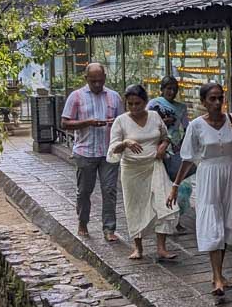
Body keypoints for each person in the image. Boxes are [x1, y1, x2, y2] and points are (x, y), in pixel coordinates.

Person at [166, 83, 232, 297]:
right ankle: (216, 277)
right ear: (203, 102)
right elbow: (187, 158)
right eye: (212, 99)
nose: (216, 103)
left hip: (230, 173)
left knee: (225, 224)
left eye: (219, 98)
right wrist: (175, 186)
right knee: (212, 221)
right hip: (208, 174)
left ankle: (220, 274)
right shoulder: (196, 126)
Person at [107, 85, 179, 261]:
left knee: (162, 203)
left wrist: (163, 145)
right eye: (130, 104)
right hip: (132, 170)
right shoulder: (121, 121)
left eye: (138, 103)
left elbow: (166, 136)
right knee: (135, 206)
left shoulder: (154, 117)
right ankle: (138, 247)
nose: (134, 108)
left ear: (145, 102)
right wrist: (126, 143)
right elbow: (112, 149)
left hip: (154, 166)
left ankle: (161, 248)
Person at [60, 62, 123, 241]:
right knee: (85, 190)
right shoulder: (76, 96)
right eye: (93, 81)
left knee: (109, 190)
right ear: (86, 79)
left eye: (100, 81)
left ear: (105, 79)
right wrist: (87, 122)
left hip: (108, 151)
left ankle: (109, 228)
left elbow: (123, 121)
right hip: (85, 151)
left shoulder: (114, 97)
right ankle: (83, 221)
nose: (97, 84)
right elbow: (65, 123)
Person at [149, 75, 192, 224]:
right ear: (162, 89)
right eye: (168, 89)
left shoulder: (181, 108)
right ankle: (159, 217)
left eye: (174, 89)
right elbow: (147, 124)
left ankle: (175, 219)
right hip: (157, 148)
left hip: (174, 149)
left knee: (175, 184)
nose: (171, 92)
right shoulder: (153, 104)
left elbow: (187, 128)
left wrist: (182, 144)